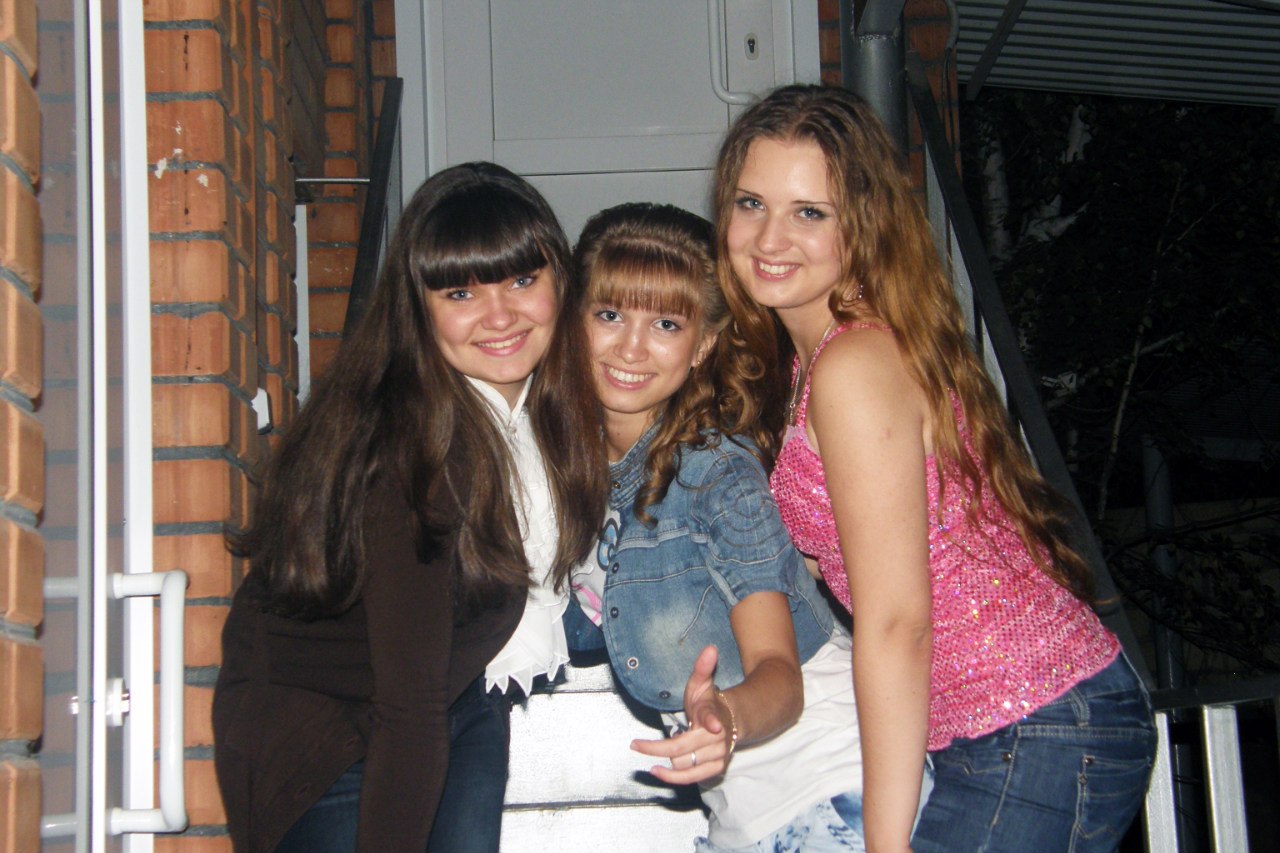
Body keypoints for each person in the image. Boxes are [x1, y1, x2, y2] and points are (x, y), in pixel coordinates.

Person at [711, 83, 1157, 853]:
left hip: (1037, 716)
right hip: (1008, 724)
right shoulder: (821, 361)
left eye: (809, 212)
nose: (770, 237)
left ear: (864, 224)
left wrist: (885, 843)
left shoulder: (854, 363)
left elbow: (897, 621)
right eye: (752, 203)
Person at [211, 161, 606, 853]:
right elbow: (408, 705)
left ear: (560, 283)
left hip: (461, 691)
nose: (500, 315)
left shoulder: (546, 421)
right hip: (328, 728)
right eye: (461, 292)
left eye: (521, 280)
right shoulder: (410, 447)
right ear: (418, 308)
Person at [567, 202, 870, 853]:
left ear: (703, 344)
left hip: (829, 791)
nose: (631, 347)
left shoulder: (716, 474)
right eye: (610, 314)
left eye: (666, 323)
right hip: (745, 817)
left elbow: (779, 676)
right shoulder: (579, 476)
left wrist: (725, 714)